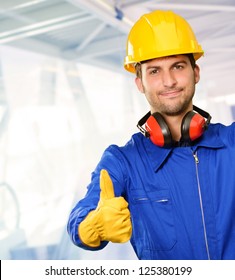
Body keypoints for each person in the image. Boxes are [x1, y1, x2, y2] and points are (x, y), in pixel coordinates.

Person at [67, 10, 235, 260]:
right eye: (154, 71)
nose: (169, 81)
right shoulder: (123, 161)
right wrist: (93, 225)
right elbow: (80, 218)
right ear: (140, 83)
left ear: (195, 72)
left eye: (177, 66)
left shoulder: (230, 143)